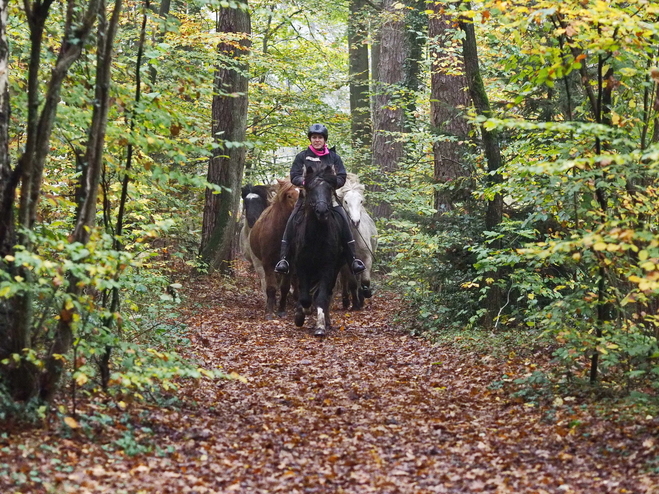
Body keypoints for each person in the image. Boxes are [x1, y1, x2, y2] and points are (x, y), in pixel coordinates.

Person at [274, 123, 366, 276]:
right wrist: (305, 183)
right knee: (291, 220)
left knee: (344, 221)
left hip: (330, 198)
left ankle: (354, 259)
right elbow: (294, 175)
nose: (317, 140)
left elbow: (342, 176)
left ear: (324, 140)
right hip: (306, 199)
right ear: (310, 139)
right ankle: (284, 259)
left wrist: (330, 183)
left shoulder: (334, 157)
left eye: (320, 138)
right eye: (314, 137)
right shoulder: (302, 156)